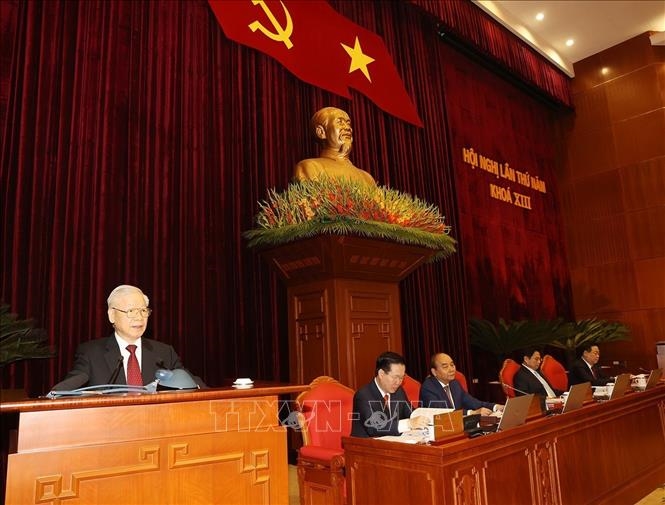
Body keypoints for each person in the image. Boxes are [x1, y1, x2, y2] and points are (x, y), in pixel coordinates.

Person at [51, 284, 205, 390]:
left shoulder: (164, 353)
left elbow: (193, 384)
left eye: (143, 311)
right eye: (131, 311)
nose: (139, 317)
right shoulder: (91, 354)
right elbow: (68, 388)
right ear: (112, 315)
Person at [351, 351, 428, 437]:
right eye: (395, 377)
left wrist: (427, 416)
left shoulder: (399, 391)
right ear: (381, 374)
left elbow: (410, 413)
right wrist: (408, 424)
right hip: (366, 443)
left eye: (401, 378)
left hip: (393, 441)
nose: (398, 382)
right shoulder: (363, 395)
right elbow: (373, 428)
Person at [293, 107, 377, 187]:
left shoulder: (367, 178)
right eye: (340, 122)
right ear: (321, 132)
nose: (348, 128)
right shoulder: (310, 167)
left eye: (348, 123)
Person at [420, 353, 504, 415]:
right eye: (445, 367)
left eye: (452, 365)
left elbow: (473, 402)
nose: (451, 369)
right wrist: (471, 413)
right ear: (434, 372)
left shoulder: (454, 384)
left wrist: (496, 407)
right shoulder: (428, 387)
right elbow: (443, 412)